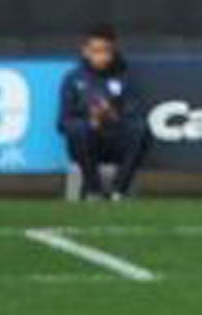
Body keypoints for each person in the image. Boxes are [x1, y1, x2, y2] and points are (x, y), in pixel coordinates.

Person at [58, 24, 148, 200]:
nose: (102, 57)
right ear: (86, 51)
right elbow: (63, 123)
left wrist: (112, 115)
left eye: (106, 51)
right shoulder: (73, 79)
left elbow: (134, 115)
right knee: (77, 131)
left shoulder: (125, 77)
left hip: (115, 140)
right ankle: (94, 190)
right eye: (96, 51)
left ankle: (119, 191)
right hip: (88, 142)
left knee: (140, 131)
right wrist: (92, 121)